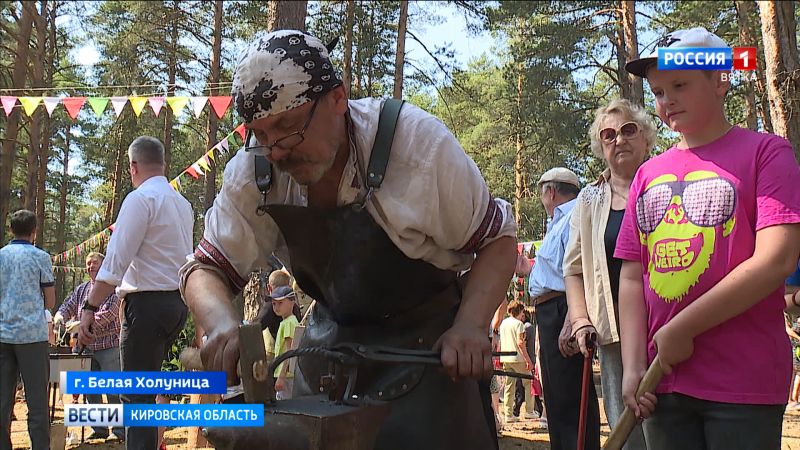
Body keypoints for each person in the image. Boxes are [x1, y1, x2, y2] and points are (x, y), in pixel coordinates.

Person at [180, 30, 517, 449]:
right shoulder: (256, 169)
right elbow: (205, 269)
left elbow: (498, 239)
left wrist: (470, 326)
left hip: (428, 351)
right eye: (260, 134)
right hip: (329, 350)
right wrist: (222, 326)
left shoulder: (415, 147)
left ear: (338, 99)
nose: (277, 150)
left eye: (288, 125)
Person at [618, 27, 800, 450]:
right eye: (659, 92)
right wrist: (632, 366)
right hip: (661, 383)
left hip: (743, 380)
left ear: (721, 79)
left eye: (680, 85)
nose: (667, 101)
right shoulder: (647, 173)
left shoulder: (767, 153)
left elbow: (777, 258)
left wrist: (683, 326)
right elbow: (631, 275)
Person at [77, 136, 194, 450]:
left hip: (146, 307)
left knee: (136, 396)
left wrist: (89, 306)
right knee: (151, 391)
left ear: (133, 167)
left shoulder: (139, 199)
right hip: (177, 305)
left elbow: (115, 262)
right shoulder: (182, 203)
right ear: (164, 165)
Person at [562, 98, 654, 450]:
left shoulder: (669, 183)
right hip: (613, 334)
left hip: (666, 327)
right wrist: (581, 319)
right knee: (627, 432)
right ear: (600, 147)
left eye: (629, 130)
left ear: (646, 138)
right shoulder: (588, 200)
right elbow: (572, 270)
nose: (620, 140)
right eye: (609, 135)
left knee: (670, 428)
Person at [528, 167, 600, 450]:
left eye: (541, 192)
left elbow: (580, 269)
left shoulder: (574, 216)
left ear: (551, 191)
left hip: (563, 308)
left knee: (570, 398)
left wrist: (574, 315)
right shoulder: (559, 221)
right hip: (552, 310)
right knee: (557, 397)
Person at [0, 209, 55, 450]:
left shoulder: (1, 256)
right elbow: (50, 300)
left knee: (2, 400)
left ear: (11, 230)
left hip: (3, 334)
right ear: (34, 231)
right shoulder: (41, 257)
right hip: (32, 336)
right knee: (37, 401)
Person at [55, 251, 123, 441]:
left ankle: (119, 431)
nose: (90, 266)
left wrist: (82, 324)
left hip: (109, 346)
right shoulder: (82, 289)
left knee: (113, 391)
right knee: (90, 391)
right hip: (86, 349)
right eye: (88, 263)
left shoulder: (114, 289)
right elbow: (68, 304)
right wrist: (60, 316)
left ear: (104, 266)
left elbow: (109, 314)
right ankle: (99, 429)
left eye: (94, 263)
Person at [498, 300, 535, 423]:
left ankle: (508, 414)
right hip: (518, 358)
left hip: (506, 357)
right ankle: (530, 411)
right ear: (519, 311)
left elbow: (500, 341)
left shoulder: (503, 323)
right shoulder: (519, 324)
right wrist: (528, 359)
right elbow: (521, 343)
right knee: (529, 382)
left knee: (509, 386)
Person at [271, 285, 300, 400]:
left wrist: (281, 377)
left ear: (292, 302)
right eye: (274, 304)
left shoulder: (288, 323)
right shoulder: (288, 322)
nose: (276, 307)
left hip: (286, 376)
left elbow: (290, 351)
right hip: (286, 374)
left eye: (280, 303)